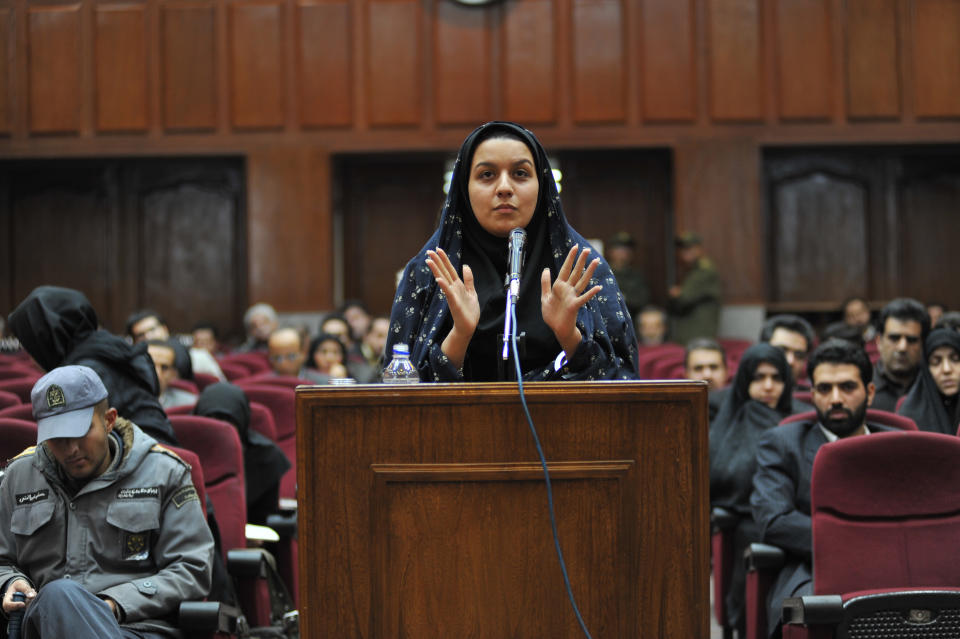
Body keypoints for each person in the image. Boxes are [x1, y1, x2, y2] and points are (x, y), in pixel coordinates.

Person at [385, 121, 638, 382]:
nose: (504, 188)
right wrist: (460, 333)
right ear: (464, 187)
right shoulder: (430, 270)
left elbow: (620, 380)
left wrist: (568, 335)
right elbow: (401, 389)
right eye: (487, 175)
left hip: (561, 422)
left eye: (520, 174)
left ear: (542, 185)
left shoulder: (581, 265)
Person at [0, 365, 213, 638]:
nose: (71, 449)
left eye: (80, 433)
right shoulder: (20, 475)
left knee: (60, 594)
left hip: (134, 628)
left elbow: (192, 568)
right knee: (58, 596)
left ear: (109, 420)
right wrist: (11, 581)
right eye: (57, 438)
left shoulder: (162, 472)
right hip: (43, 624)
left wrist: (113, 604)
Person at [751, 339, 897, 639]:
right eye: (824, 389)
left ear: (869, 392)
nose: (835, 399)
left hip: (895, 566)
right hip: (813, 567)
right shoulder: (782, 443)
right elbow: (773, 519)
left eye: (847, 387)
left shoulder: (899, 445)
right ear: (812, 393)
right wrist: (856, 545)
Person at [7, 286, 178, 445]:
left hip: (141, 463)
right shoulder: (106, 348)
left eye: (30, 346)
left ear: (46, 341)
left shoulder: (82, 374)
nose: (30, 358)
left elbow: (76, 451)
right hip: (156, 450)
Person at [709, 344, 794, 632]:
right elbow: (724, 477)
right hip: (750, 531)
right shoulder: (729, 422)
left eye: (777, 378)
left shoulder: (801, 417)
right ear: (745, 382)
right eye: (758, 378)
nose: (768, 387)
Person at [193, 383, 291, 526]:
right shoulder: (184, 451)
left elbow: (265, 517)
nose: (221, 432)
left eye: (228, 422)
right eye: (212, 421)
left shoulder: (266, 457)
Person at [125, 310, 225, 382]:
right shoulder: (133, 368)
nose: (148, 336)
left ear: (165, 329)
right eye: (140, 335)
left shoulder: (200, 357)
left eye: (152, 330)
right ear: (134, 342)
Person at [897, 328, 960, 434]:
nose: (946, 369)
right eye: (936, 361)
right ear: (926, 369)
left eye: (955, 359)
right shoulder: (910, 414)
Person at [871, 298, 930, 411]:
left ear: (923, 343)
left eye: (912, 340)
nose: (902, 347)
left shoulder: (936, 389)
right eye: (894, 338)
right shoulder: (863, 388)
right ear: (879, 341)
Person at [668, 231, 721, 345]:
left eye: (690, 248)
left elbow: (684, 298)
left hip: (699, 331)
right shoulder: (691, 269)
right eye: (683, 249)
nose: (686, 252)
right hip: (691, 330)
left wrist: (677, 294)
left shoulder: (703, 270)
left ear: (699, 249)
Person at [760, 315, 816, 390]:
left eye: (799, 355)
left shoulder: (811, 398)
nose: (790, 361)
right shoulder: (741, 396)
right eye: (781, 350)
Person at [605, 231, 649, 318]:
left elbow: (642, 301)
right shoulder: (601, 273)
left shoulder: (637, 277)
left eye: (627, 249)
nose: (624, 253)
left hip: (631, 321)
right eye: (619, 249)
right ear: (610, 252)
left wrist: (621, 298)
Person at [684, 338, 728, 421]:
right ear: (686, 374)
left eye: (714, 367)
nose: (707, 375)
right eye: (698, 368)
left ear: (726, 372)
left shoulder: (741, 410)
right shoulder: (677, 411)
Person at [146, 339, 198, 409]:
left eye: (164, 368)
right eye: (150, 365)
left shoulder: (189, 403)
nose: (157, 373)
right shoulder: (126, 401)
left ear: (173, 374)